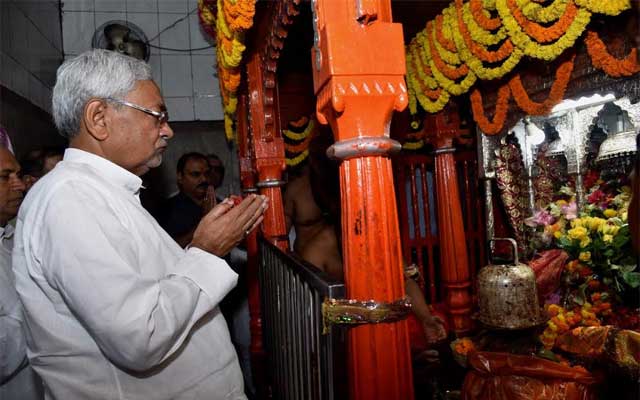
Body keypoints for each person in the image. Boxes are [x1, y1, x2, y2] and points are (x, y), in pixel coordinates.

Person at [12, 49, 268, 400]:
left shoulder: (100, 192)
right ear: (99, 118)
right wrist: (206, 251)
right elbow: (139, 335)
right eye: (156, 116)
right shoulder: (69, 198)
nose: (168, 131)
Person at [0, 146, 43, 399]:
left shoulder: (14, 237)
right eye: (5, 177)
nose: (20, 185)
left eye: (18, 175)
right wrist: (38, 306)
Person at [159, 152, 215, 247]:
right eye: (196, 174)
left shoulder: (216, 203)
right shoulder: (166, 210)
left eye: (207, 174)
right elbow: (169, 248)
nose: (204, 179)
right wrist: (205, 220)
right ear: (180, 177)